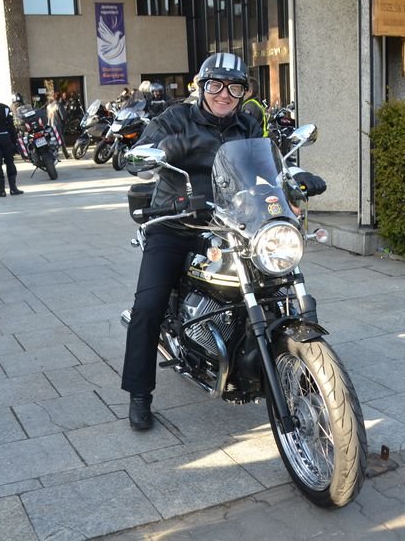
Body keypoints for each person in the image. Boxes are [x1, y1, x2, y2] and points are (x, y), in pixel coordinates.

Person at [119, 52, 325, 430]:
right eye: (215, 85)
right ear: (201, 87)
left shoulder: (247, 124)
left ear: (244, 92)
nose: (224, 94)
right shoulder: (174, 119)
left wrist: (295, 176)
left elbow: (270, 163)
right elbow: (135, 157)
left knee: (276, 283)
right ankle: (139, 394)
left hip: (234, 223)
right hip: (177, 223)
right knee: (148, 307)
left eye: (234, 87)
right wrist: (168, 149)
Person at [46, 93, 69, 158]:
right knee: (61, 140)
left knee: (52, 140)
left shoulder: (48, 106)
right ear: (60, 98)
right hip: (57, 125)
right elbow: (63, 116)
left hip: (50, 125)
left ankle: (53, 154)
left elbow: (47, 116)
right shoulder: (59, 105)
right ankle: (65, 154)